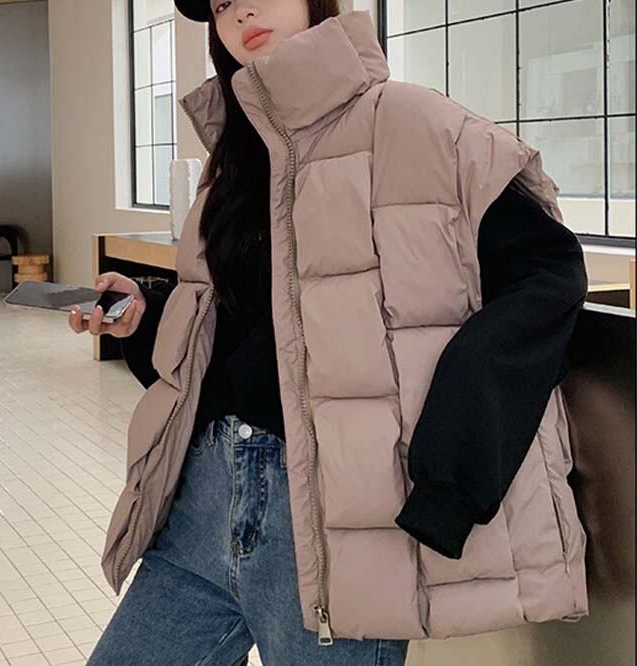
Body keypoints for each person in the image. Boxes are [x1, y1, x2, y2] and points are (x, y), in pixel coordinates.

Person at [69, 2, 588, 664]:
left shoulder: (418, 125)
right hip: (201, 502)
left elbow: (550, 277)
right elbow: (249, 329)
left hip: (337, 530)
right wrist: (146, 316)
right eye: (221, 4)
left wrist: (451, 471)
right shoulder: (234, 160)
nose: (241, 10)